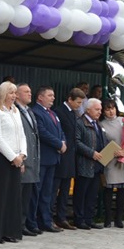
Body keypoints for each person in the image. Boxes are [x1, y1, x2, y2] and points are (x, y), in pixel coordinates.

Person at [0, 82, 26, 244]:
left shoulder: (15, 111)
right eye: (11, 93)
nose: (14, 96)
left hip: (16, 157)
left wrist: (22, 154)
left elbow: (22, 134)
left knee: (12, 196)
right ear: (3, 94)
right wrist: (12, 157)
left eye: (15, 93)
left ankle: (10, 231)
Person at [31, 86, 65, 233]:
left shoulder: (52, 113)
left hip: (53, 158)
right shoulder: (36, 112)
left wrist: (63, 141)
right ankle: (34, 221)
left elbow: (60, 130)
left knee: (48, 193)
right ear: (40, 97)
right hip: (43, 158)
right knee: (37, 192)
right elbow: (42, 132)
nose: (53, 98)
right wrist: (58, 144)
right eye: (50, 95)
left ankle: (46, 221)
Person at [52, 88, 85, 229]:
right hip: (61, 155)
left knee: (65, 189)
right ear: (70, 99)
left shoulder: (74, 113)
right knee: (55, 189)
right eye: (78, 102)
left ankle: (62, 216)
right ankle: (50, 216)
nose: (79, 105)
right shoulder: (59, 111)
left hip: (71, 156)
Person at [73, 98, 107, 229]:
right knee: (82, 193)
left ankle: (89, 218)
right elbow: (77, 142)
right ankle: (79, 219)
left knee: (92, 194)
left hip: (98, 165)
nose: (100, 112)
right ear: (88, 109)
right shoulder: (80, 123)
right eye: (97, 109)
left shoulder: (99, 124)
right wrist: (91, 153)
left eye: (100, 110)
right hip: (85, 163)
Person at [99, 99, 124, 228]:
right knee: (109, 189)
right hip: (111, 159)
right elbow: (102, 142)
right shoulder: (101, 125)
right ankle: (107, 217)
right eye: (107, 109)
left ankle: (119, 218)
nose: (111, 111)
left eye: (112, 108)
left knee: (123, 189)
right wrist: (114, 151)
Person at [15, 83, 41, 236]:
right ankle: (16, 225)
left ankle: (23, 224)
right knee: (18, 196)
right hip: (22, 160)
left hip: (33, 159)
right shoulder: (15, 111)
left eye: (30, 91)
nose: (30, 94)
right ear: (17, 95)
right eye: (26, 91)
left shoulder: (29, 111)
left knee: (26, 197)